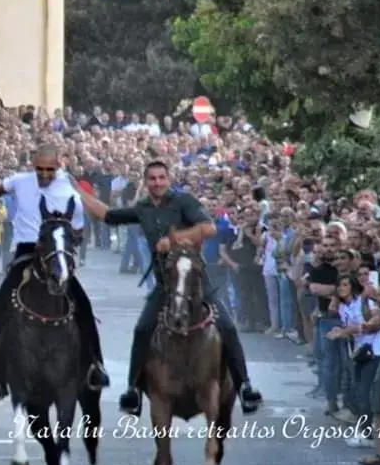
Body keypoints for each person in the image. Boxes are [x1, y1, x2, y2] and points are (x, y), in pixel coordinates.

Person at [77, 160, 264, 416]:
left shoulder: (183, 201)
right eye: (152, 178)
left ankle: (245, 386)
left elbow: (208, 227)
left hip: (196, 282)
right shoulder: (142, 208)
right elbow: (107, 215)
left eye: (161, 178)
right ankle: (133, 389)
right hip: (166, 284)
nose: (157, 183)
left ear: (168, 178)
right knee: (143, 328)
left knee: (227, 326)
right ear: (146, 181)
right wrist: (77, 190)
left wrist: (174, 239)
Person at [0, 145, 110, 395]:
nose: (44, 174)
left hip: (55, 254)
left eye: (50, 169)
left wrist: (64, 246)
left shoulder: (70, 189)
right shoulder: (20, 181)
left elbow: (78, 231)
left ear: (58, 166)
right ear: (33, 166)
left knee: (83, 307)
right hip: (26, 253)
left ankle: (95, 365)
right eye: (40, 169)